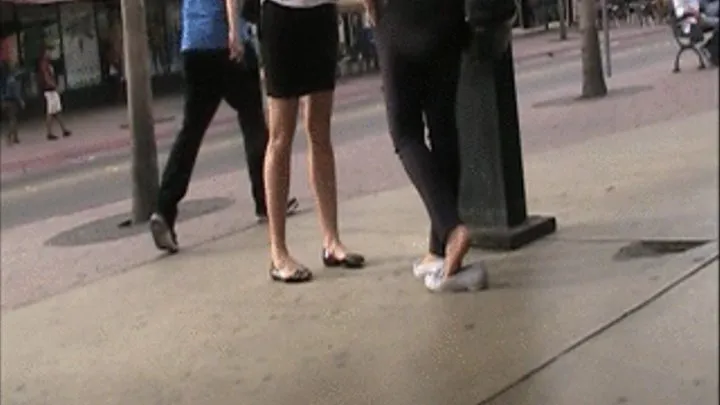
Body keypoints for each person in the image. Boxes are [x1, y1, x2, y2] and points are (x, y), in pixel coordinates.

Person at [149, 0, 299, 254]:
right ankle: (266, 200)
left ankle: (164, 210)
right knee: (252, 122)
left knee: (191, 132)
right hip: (225, 44)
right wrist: (234, 34)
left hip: (194, 46)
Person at [364, 0, 487, 291]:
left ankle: (451, 229)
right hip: (446, 19)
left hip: (399, 19)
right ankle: (438, 248)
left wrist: (374, 12)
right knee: (443, 130)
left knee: (405, 134)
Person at [260, 0, 365, 283]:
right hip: (281, 14)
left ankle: (332, 241)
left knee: (320, 130)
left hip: (320, 14)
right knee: (280, 136)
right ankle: (278, 251)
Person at [36, 48, 72, 141]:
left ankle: (64, 130)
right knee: (50, 112)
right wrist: (54, 86)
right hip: (49, 90)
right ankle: (49, 133)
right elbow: (46, 77)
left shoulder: (48, 64)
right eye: (48, 52)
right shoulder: (44, 64)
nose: (50, 53)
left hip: (51, 90)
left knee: (57, 110)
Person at [0, 60, 25, 145]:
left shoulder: (8, 78)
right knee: (13, 120)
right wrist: (21, 101)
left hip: (5, 100)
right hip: (11, 101)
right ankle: (10, 136)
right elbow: (16, 93)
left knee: (12, 119)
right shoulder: (15, 79)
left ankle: (15, 137)